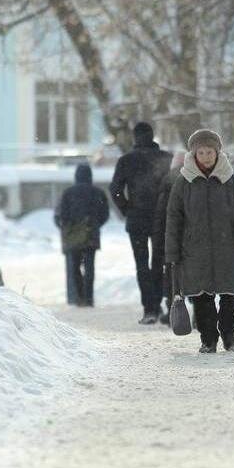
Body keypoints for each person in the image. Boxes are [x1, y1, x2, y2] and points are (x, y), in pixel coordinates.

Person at [165, 129, 234, 353]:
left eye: (210, 152)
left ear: (218, 152)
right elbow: (174, 219)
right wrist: (172, 252)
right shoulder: (184, 183)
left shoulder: (231, 181)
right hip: (194, 252)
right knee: (202, 299)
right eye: (201, 152)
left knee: (229, 296)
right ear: (194, 154)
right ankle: (208, 339)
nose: (206, 156)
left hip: (226, 248)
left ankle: (228, 334)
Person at [110, 122, 173, 324]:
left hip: (137, 218)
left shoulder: (126, 160)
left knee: (141, 264)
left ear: (134, 137)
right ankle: (163, 302)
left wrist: (127, 208)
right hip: (161, 218)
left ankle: (150, 309)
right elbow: (174, 187)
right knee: (160, 262)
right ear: (152, 135)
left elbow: (115, 189)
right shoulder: (165, 159)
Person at [55, 163, 110, 307]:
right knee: (90, 267)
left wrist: (67, 228)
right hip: (91, 235)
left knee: (74, 267)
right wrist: (94, 225)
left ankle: (79, 297)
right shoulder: (98, 192)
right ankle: (89, 297)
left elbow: (60, 215)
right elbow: (105, 214)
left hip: (73, 237)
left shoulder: (68, 193)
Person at [153, 150, 186, 325]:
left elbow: (161, 213)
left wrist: (159, 239)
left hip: (170, 233)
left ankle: (173, 309)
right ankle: (198, 311)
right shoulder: (194, 178)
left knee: (171, 273)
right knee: (192, 272)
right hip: (190, 235)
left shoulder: (168, 180)